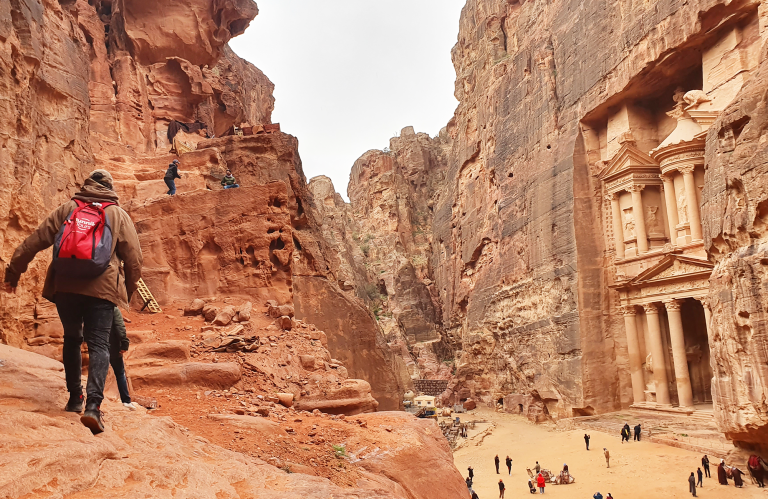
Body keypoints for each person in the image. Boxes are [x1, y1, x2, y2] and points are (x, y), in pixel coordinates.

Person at [3, 170, 142, 434]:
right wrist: (129, 291)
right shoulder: (117, 214)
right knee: (99, 344)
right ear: (110, 188)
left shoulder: (68, 208)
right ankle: (93, 407)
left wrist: (13, 272)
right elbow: (134, 259)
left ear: (86, 185)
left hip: (65, 285)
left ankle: (74, 397)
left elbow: (34, 241)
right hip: (101, 290)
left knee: (72, 338)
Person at [110, 307, 137, 409]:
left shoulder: (92, 307)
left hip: (97, 346)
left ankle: (94, 401)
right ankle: (126, 401)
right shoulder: (113, 309)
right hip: (113, 346)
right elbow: (119, 326)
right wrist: (124, 343)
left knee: (98, 372)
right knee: (120, 373)